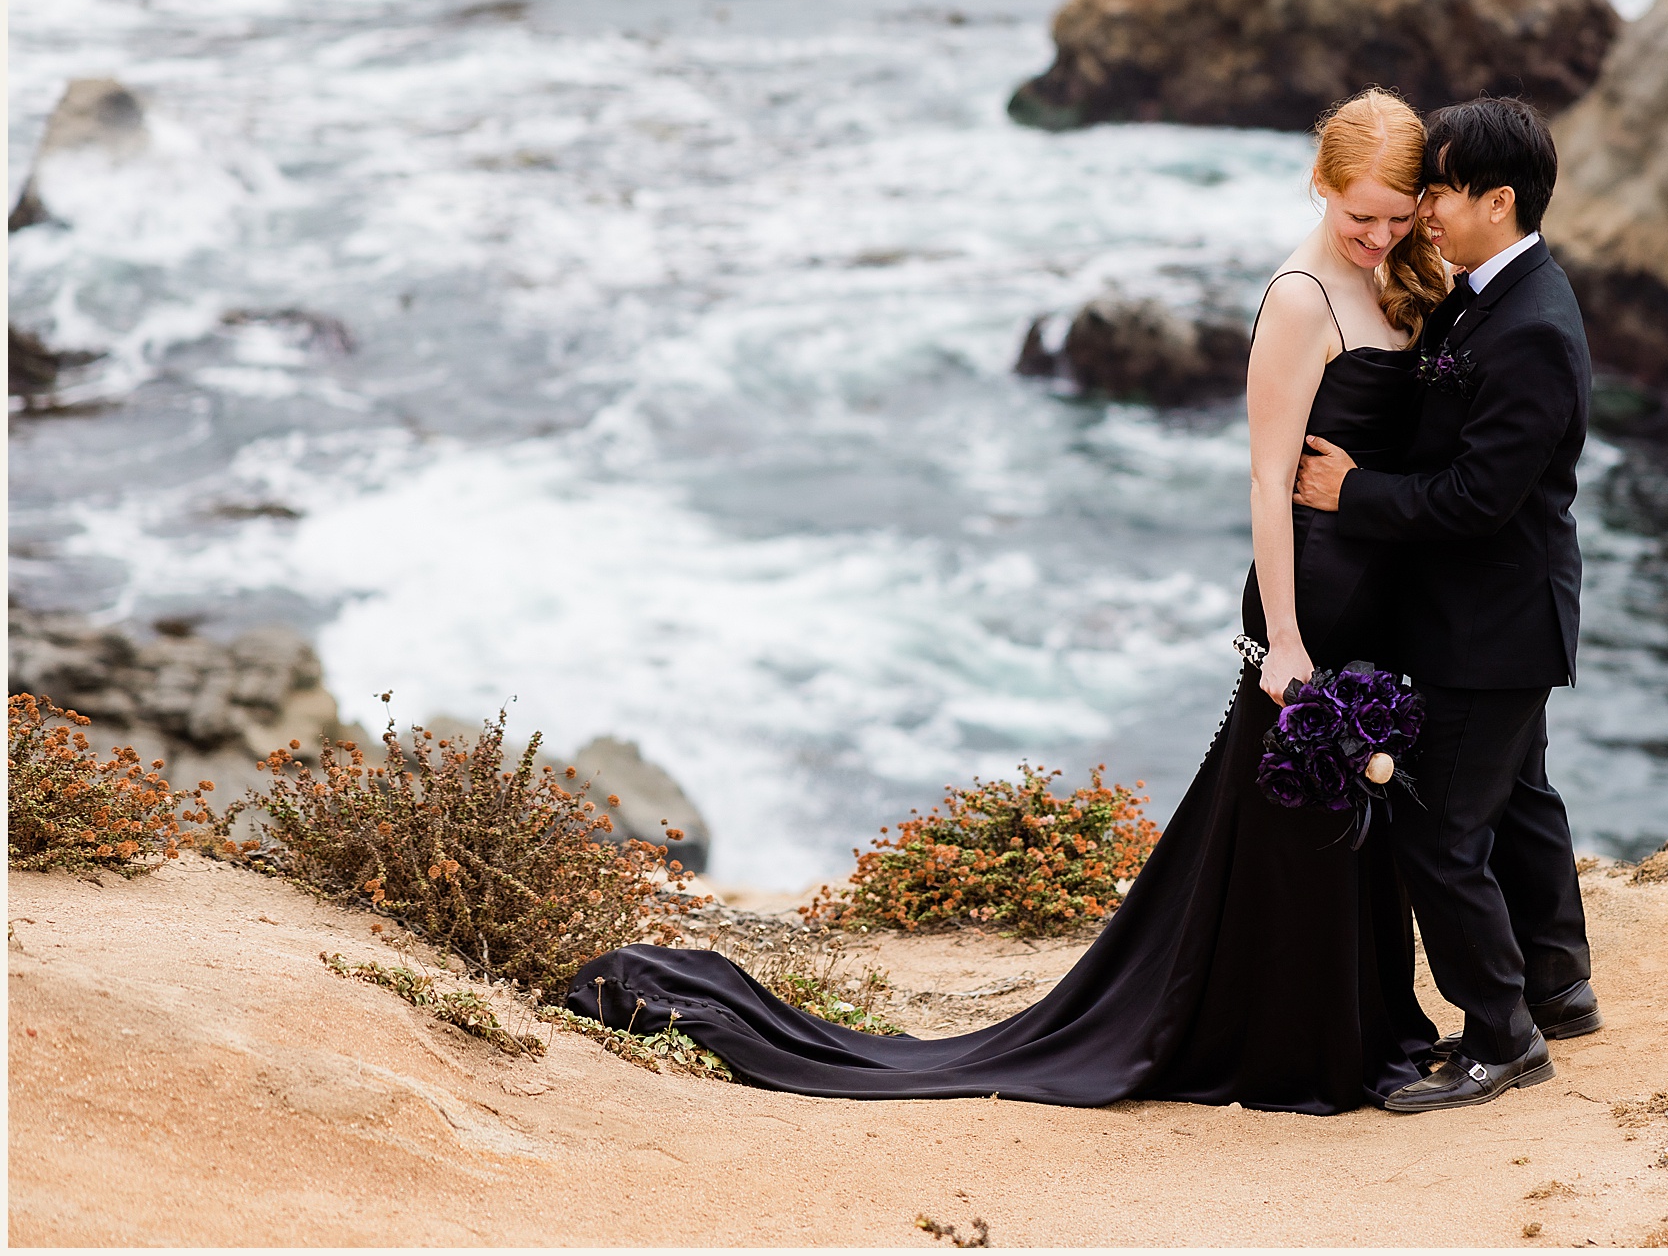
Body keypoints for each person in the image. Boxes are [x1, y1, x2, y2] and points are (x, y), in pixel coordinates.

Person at [569, 88, 1448, 1112]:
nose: (1381, 235)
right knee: (1303, 819)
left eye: (1398, 216)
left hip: (1375, 586)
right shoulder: (1300, 295)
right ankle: (1307, 1047)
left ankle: (1358, 1024)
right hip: (1311, 595)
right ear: (1320, 185)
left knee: (1350, 818)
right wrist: (1286, 637)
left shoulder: (1391, 279)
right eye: (1362, 216)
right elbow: (1262, 480)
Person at [1293, 94, 1599, 1114]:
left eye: (1439, 188)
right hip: (1504, 613)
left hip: (1493, 624)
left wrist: (1352, 493)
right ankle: (1557, 984)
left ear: (1497, 201)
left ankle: (1502, 1036)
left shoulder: (1534, 326)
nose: (1421, 208)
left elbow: (1480, 496)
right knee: (1518, 799)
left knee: (1439, 829)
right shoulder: (1489, 291)